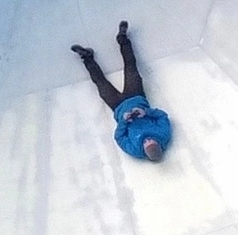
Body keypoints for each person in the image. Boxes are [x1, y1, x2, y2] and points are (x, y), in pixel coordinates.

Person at [71, 22, 172, 163]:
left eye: (146, 143)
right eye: (151, 140)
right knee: (130, 67)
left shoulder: (135, 150)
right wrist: (145, 112)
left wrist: (124, 120)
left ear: (144, 150)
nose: (147, 139)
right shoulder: (163, 134)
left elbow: (119, 138)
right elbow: (162, 116)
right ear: (158, 143)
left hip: (118, 107)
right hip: (137, 97)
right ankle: (123, 39)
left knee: (101, 84)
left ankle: (87, 57)